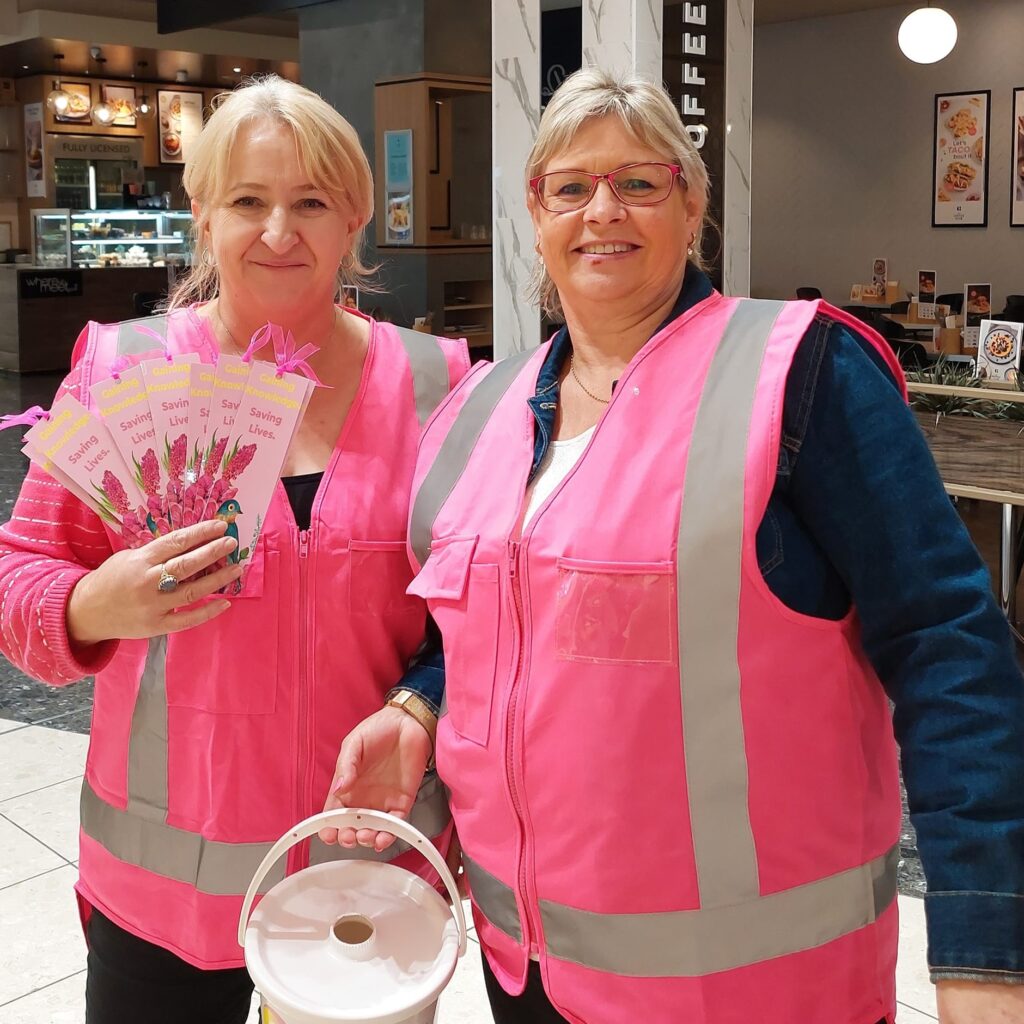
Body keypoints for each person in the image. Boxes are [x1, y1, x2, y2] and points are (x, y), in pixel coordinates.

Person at [323, 68, 1024, 1024]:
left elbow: (949, 645)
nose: (601, 209)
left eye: (639, 182)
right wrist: (416, 707)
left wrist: (985, 951)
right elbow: (487, 622)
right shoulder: (479, 410)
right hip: (525, 966)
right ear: (536, 212)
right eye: (570, 186)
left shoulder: (802, 372)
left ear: (691, 205)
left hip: (749, 988)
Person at [0, 76, 468, 1024]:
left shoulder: (439, 385)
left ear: (356, 222)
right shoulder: (125, 367)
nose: (279, 232)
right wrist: (96, 606)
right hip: (165, 887)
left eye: (311, 203)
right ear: (204, 216)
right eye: (248, 201)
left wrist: (421, 709)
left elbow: (481, 617)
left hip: (365, 867)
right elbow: (19, 577)